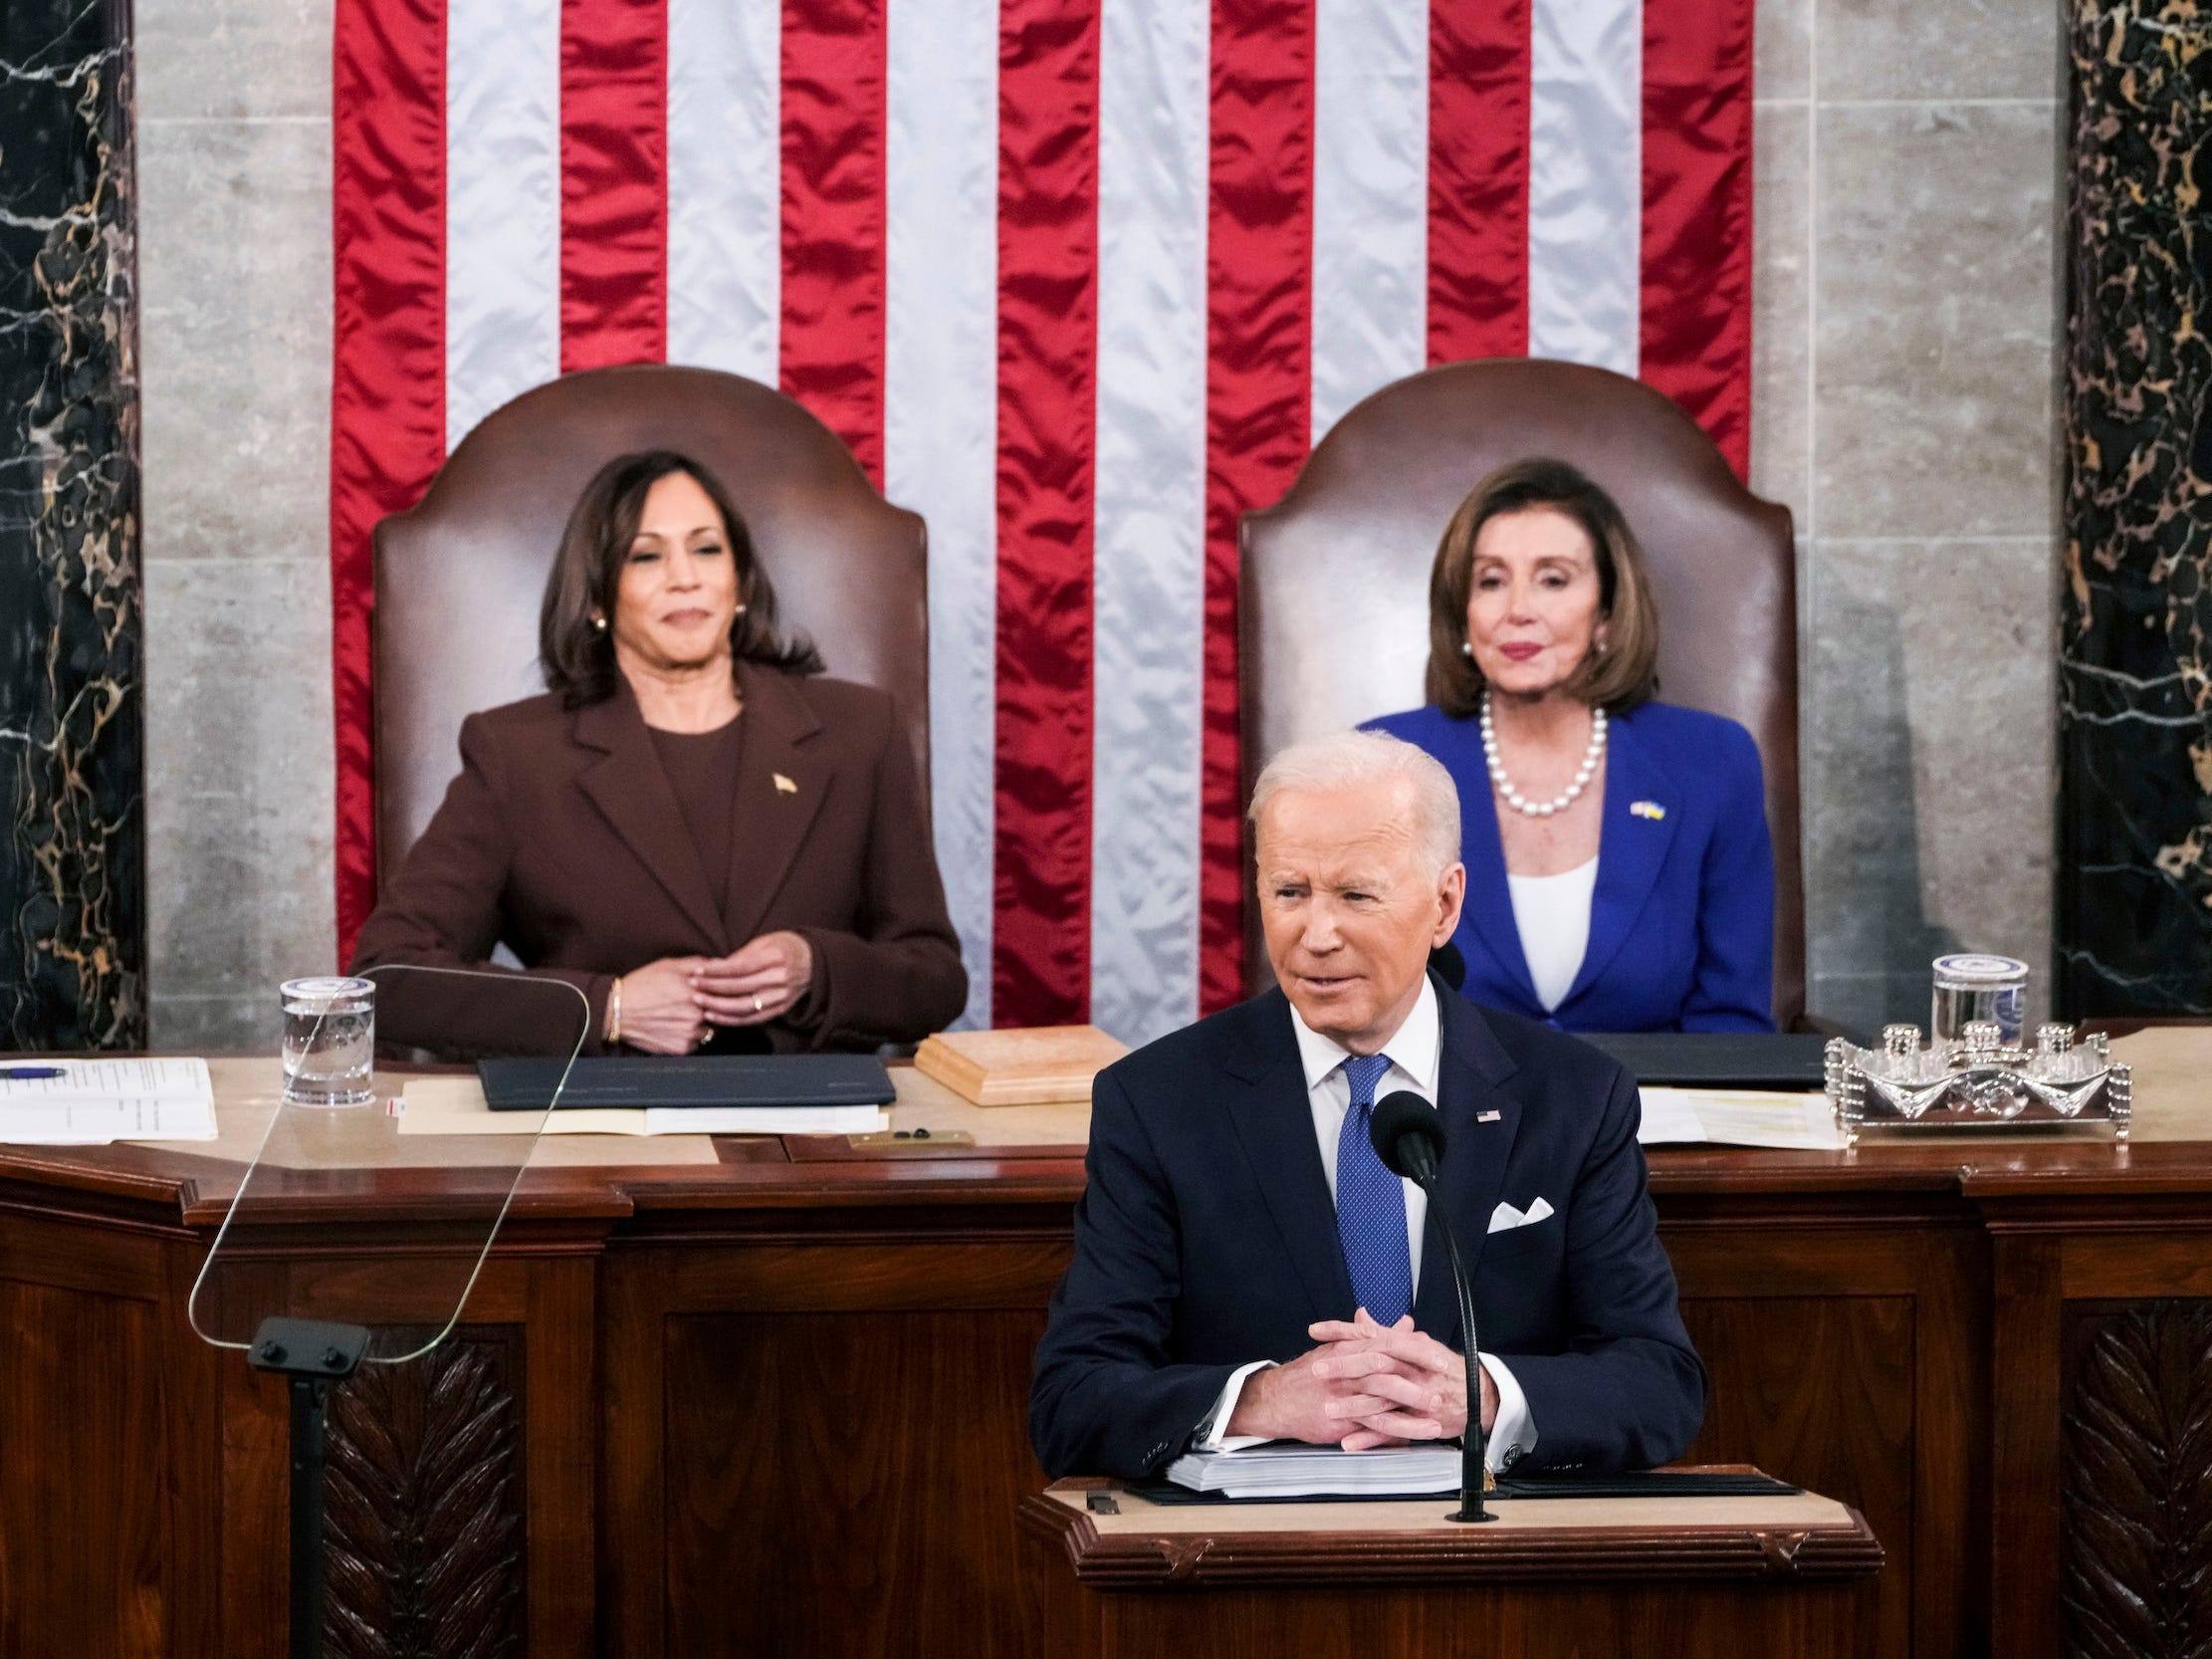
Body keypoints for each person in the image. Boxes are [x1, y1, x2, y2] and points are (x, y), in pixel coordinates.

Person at [1028, 729, 1703, 1481]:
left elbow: (1658, 1381)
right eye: (1289, 892)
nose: (1316, 935)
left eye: (1355, 895)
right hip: (1252, 1565)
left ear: (1444, 904)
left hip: (1499, 1555)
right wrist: (1260, 1401)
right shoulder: (1157, 1101)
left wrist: (1480, 1396)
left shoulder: (1574, 1097)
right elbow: (1074, 1397)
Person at [350, 449, 968, 1058]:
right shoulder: (517, 754)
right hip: (609, 1140)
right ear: (596, 599)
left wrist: (818, 971)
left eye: (707, 549)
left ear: (740, 579)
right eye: (646, 556)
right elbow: (389, 980)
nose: (685, 577)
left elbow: (935, 979)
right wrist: (605, 1007)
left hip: (818, 1136)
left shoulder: (859, 731)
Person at [1366, 457, 1775, 1033]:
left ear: (1606, 614)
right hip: (1446, 1114)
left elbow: (1733, 1026)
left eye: (1553, 579)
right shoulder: (1387, 765)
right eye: (1490, 581)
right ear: (1463, 616)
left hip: (1654, 1116)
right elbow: (1353, 1004)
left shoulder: (1712, 763)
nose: (1518, 611)